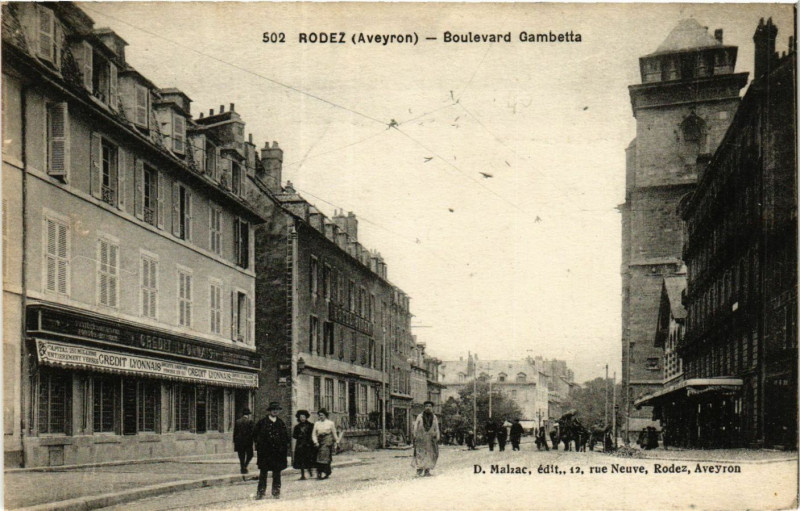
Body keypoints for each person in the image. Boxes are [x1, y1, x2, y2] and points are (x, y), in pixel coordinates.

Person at [253, 402, 288, 500]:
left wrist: (282, 448)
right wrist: (260, 446)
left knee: (277, 473)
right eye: (273, 409)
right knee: (263, 473)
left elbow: (285, 438)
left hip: (277, 453)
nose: (275, 411)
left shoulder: (281, 423)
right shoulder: (262, 422)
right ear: (269, 411)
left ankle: (276, 491)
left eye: (277, 409)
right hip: (265, 453)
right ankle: (261, 492)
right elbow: (255, 435)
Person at [413, 401, 441, 476]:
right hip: (421, 438)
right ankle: (419, 470)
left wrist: (437, 436)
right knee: (420, 454)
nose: (428, 408)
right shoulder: (420, 416)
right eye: (426, 406)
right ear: (424, 407)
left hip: (430, 439)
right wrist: (415, 435)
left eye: (430, 406)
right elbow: (415, 426)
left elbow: (437, 428)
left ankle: (427, 471)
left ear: (432, 408)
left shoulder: (434, 417)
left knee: (430, 454)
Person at [312, 408, 340, 479]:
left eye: (322, 415)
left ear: (325, 415)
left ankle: (325, 472)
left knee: (325, 457)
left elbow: (334, 433)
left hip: (327, 440)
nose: (321, 417)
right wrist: (315, 442)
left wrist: (337, 441)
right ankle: (320, 472)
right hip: (319, 440)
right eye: (320, 415)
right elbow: (314, 434)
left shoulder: (330, 423)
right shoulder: (317, 423)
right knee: (318, 457)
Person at [292, 410, 316, 480]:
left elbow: (313, 434)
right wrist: (299, 435)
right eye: (301, 417)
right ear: (299, 418)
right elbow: (294, 436)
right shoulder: (297, 427)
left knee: (309, 458)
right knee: (301, 460)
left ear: (306, 417)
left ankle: (310, 470)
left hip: (309, 445)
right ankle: (302, 475)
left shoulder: (311, 425)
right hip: (300, 445)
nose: (302, 418)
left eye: (303, 417)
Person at [233, 408, 254, 480]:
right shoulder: (250, 421)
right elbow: (252, 433)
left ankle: (242, 468)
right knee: (250, 455)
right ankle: (245, 466)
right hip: (247, 442)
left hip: (239, 442)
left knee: (241, 456)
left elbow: (235, 433)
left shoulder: (237, 421)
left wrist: (234, 442)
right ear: (248, 415)